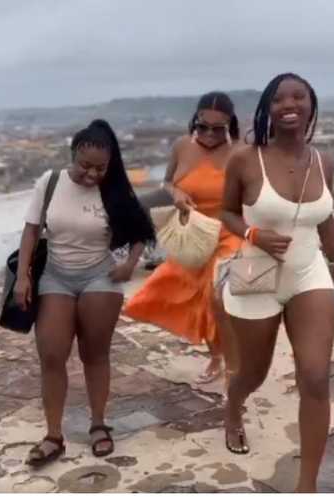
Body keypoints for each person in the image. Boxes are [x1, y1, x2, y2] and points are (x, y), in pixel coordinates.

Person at [218, 73, 334, 492]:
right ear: (267, 108)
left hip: (309, 272)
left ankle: (306, 486)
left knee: (315, 377)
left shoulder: (323, 161)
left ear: (311, 105)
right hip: (256, 273)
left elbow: (325, 215)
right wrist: (253, 234)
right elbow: (227, 212)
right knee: (252, 373)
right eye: (279, 98)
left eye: (299, 96)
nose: (289, 104)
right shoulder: (245, 158)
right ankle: (234, 404)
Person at [15, 119, 155, 465]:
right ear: (72, 155)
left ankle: (98, 424)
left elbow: (141, 230)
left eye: (100, 168)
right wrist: (22, 277)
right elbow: (31, 232)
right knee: (51, 354)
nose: (92, 174)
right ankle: (53, 435)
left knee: (95, 353)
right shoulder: (49, 183)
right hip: (55, 277)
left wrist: (129, 265)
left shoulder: (115, 190)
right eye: (85, 165)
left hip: (99, 277)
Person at [125, 92, 243, 384]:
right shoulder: (181, 146)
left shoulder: (241, 152)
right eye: (203, 126)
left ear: (230, 126)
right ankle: (217, 355)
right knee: (184, 295)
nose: (210, 134)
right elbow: (167, 181)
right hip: (193, 234)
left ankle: (231, 361)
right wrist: (176, 192)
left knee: (215, 294)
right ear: (195, 121)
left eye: (219, 128)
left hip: (228, 232)